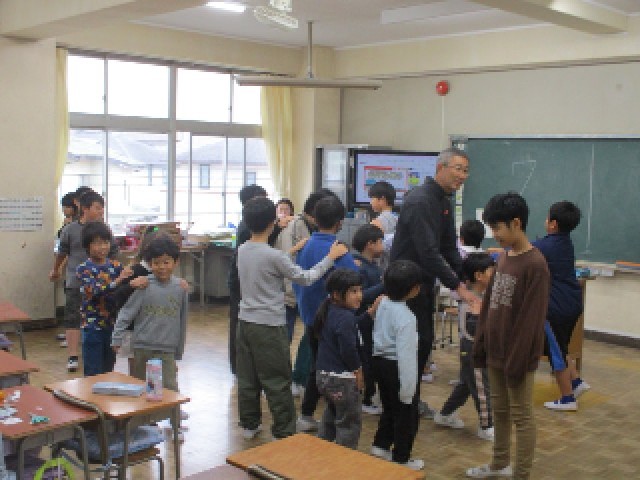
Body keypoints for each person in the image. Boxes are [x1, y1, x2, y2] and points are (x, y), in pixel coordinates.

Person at [235, 197, 348, 440]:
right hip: (268, 326)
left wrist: (293, 250)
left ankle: (249, 424)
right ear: (272, 222)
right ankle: (284, 431)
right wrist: (330, 257)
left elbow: (266, 261)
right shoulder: (274, 257)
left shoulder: (243, 249)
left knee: (248, 377)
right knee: (277, 379)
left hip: (244, 323)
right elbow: (307, 278)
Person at [467, 192, 550, 480]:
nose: (495, 234)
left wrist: (517, 361)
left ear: (516, 223)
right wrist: (482, 342)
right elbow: (490, 304)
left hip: (518, 357)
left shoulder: (536, 265)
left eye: (497, 228)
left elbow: (531, 321)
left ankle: (521, 474)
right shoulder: (504, 256)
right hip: (496, 351)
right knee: (500, 411)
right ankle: (499, 463)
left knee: (521, 416)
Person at [390, 147, 478, 418]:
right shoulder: (421, 200)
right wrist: (458, 287)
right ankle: (401, 403)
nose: (463, 175)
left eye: (466, 171)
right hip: (406, 287)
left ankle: (409, 399)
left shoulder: (443, 201)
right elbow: (428, 252)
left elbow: (448, 248)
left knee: (423, 344)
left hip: (424, 284)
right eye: (458, 169)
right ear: (441, 168)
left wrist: (466, 277)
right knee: (412, 345)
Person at [294, 195, 359, 432]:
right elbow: (353, 281)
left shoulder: (305, 245)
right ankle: (314, 414)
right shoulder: (337, 251)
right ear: (340, 222)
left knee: (317, 364)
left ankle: (309, 413)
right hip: (329, 320)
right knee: (325, 367)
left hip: (308, 313)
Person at [112, 235, 188, 398]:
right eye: (156, 263)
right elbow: (126, 313)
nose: (161, 267)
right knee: (142, 389)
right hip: (142, 348)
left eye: (166, 262)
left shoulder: (180, 288)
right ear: (150, 263)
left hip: (167, 349)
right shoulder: (144, 284)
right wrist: (117, 338)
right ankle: (144, 414)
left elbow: (182, 321)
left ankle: (173, 414)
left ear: (175, 262)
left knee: (169, 389)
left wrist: (179, 350)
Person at [50, 190, 118, 373]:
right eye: (97, 207)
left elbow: (114, 254)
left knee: (102, 320)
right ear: (85, 208)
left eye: (102, 208)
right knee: (73, 317)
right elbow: (62, 252)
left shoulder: (105, 229)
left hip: (103, 289)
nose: (101, 211)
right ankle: (73, 355)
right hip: (76, 281)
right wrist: (55, 269)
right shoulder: (70, 229)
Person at [532, 201, 590, 411]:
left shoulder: (546, 245)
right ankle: (576, 382)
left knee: (555, 352)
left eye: (548, 217)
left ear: (553, 224)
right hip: (572, 302)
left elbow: (522, 251)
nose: (545, 220)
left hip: (556, 307)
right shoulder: (565, 242)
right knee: (561, 345)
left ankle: (567, 398)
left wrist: (496, 253)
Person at [274, 191, 331, 398]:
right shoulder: (295, 227)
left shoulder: (307, 226)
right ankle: (285, 382)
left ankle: (298, 378)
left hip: (301, 290)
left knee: (308, 335)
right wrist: (295, 293)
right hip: (291, 292)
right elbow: (286, 262)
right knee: (285, 339)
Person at [434, 253, 495, 441]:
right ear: (479, 276)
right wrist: (478, 316)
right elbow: (473, 330)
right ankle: (486, 426)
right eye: (491, 271)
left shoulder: (482, 295)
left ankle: (445, 414)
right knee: (482, 389)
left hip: (477, 348)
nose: (495, 274)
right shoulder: (471, 300)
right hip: (473, 350)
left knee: (467, 384)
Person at [313, 268, 376, 449]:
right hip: (343, 380)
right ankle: (344, 459)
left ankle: (321, 452)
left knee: (331, 416)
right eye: (353, 291)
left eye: (360, 290)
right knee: (348, 424)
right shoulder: (345, 317)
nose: (359, 296)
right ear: (336, 294)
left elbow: (351, 328)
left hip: (324, 376)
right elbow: (348, 349)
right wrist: (358, 371)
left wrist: (369, 313)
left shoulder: (330, 310)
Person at [370, 260, 423, 471]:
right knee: (406, 416)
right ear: (414, 289)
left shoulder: (383, 302)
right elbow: (407, 357)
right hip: (397, 368)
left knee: (389, 409)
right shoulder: (407, 318)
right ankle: (401, 458)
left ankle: (380, 445)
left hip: (380, 363)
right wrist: (408, 391)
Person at [76, 222, 131, 376]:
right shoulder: (83, 268)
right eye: (97, 243)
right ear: (87, 246)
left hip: (113, 326)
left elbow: (125, 290)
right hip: (92, 327)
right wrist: (118, 281)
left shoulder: (116, 266)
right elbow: (94, 292)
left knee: (108, 370)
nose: (102, 247)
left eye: (105, 242)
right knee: (93, 371)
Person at [227, 184, 268, 375]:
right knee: (238, 322)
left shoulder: (247, 224)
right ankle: (238, 365)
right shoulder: (247, 227)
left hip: (243, 278)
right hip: (239, 280)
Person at [351, 224, 385, 415]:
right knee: (366, 359)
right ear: (369, 244)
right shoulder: (359, 266)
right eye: (379, 242)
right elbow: (361, 296)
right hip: (363, 320)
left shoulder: (373, 266)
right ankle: (366, 397)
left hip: (373, 321)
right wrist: (384, 285)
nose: (382, 246)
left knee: (372, 357)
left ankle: (370, 394)